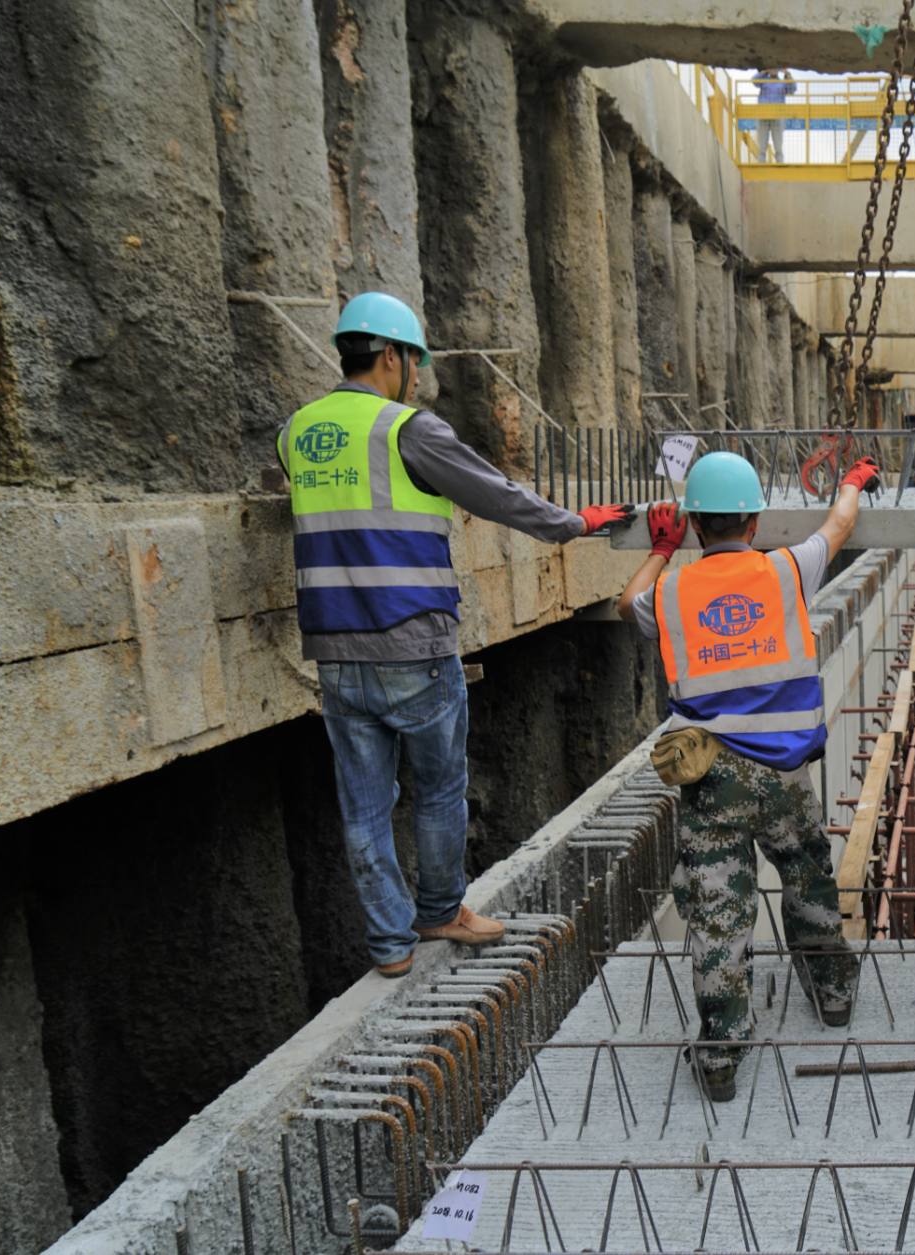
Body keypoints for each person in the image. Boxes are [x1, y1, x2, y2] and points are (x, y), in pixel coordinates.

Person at [279, 292, 631, 979]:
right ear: (391, 355)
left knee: (364, 803)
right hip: (413, 643)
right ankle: (441, 909)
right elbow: (497, 494)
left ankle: (389, 946)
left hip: (335, 652)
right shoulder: (409, 429)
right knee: (439, 788)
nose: (418, 375)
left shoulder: (298, 431)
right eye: (414, 361)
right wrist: (574, 523)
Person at [616, 450, 881, 1101]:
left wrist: (660, 547)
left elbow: (628, 603)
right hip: (782, 770)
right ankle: (833, 991)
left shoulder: (674, 591)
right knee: (807, 875)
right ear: (756, 520)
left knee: (718, 912)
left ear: (696, 524)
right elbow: (839, 526)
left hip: (711, 778)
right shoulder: (788, 569)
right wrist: (850, 482)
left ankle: (721, 1054)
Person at [753, 69, 796, 162]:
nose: (773, 70)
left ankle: (780, 168)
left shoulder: (783, 83)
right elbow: (754, 81)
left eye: (775, 68)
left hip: (777, 115)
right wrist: (764, 71)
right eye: (771, 68)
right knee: (761, 146)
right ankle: (761, 168)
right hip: (763, 114)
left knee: (778, 146)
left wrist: (787, 74)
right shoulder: (763, 81)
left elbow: (793, 89)